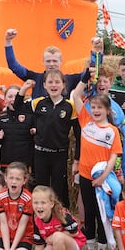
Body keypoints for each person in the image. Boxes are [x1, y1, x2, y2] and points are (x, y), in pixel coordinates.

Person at [71, 77, 123, 250]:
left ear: (107, 110)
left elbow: (113, 157)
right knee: (90, 211)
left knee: (103, 213)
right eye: (93, 107)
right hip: (85, 176)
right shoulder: (85, 121)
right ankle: (90, 247)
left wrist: (102, 177)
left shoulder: (112, 131)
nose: (96, 111)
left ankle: (102, 248)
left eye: (100, 108)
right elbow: (76, 94)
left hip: (103, 179)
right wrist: (85, 78)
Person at [30, 69, 78, 207]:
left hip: (59, 154)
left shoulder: (70, 106)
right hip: (40, 154)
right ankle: (40, 221)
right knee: (41, 188)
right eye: (50, 82)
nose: (53, 85)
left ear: (64, 85)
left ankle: (60, 219)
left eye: (57, 82)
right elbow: (19, 109)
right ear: (44, 85)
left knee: (58, 189)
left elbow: (78, 133)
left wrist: (77, 159)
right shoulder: (37, 103)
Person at [4, 28, 87, 99]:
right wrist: (8, 41)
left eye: (54, 61)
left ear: (61, 62)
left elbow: (89, 75)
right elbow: (14, 66)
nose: (51, 64)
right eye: (48, 61)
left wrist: (97, 52)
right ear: (43, 62)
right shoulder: (35, 78)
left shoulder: (69, 79)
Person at [31, 185, 85, 250]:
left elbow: (75, 232)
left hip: (73, 244)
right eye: (36, 202)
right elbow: (38, 245)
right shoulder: (36, 220)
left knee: (57, 236)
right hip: (54, 243)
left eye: (43, 202)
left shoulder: (61, 214)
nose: (39, 206)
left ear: (51, 204)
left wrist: (53, 237)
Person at [0, 81, 34, 172]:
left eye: (16, 96)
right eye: (10, 96)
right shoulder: (1, 116)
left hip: (24, 161)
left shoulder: (29, 115)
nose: (13, 99)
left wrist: (34, 132)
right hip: (6, 161)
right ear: (5, 99)